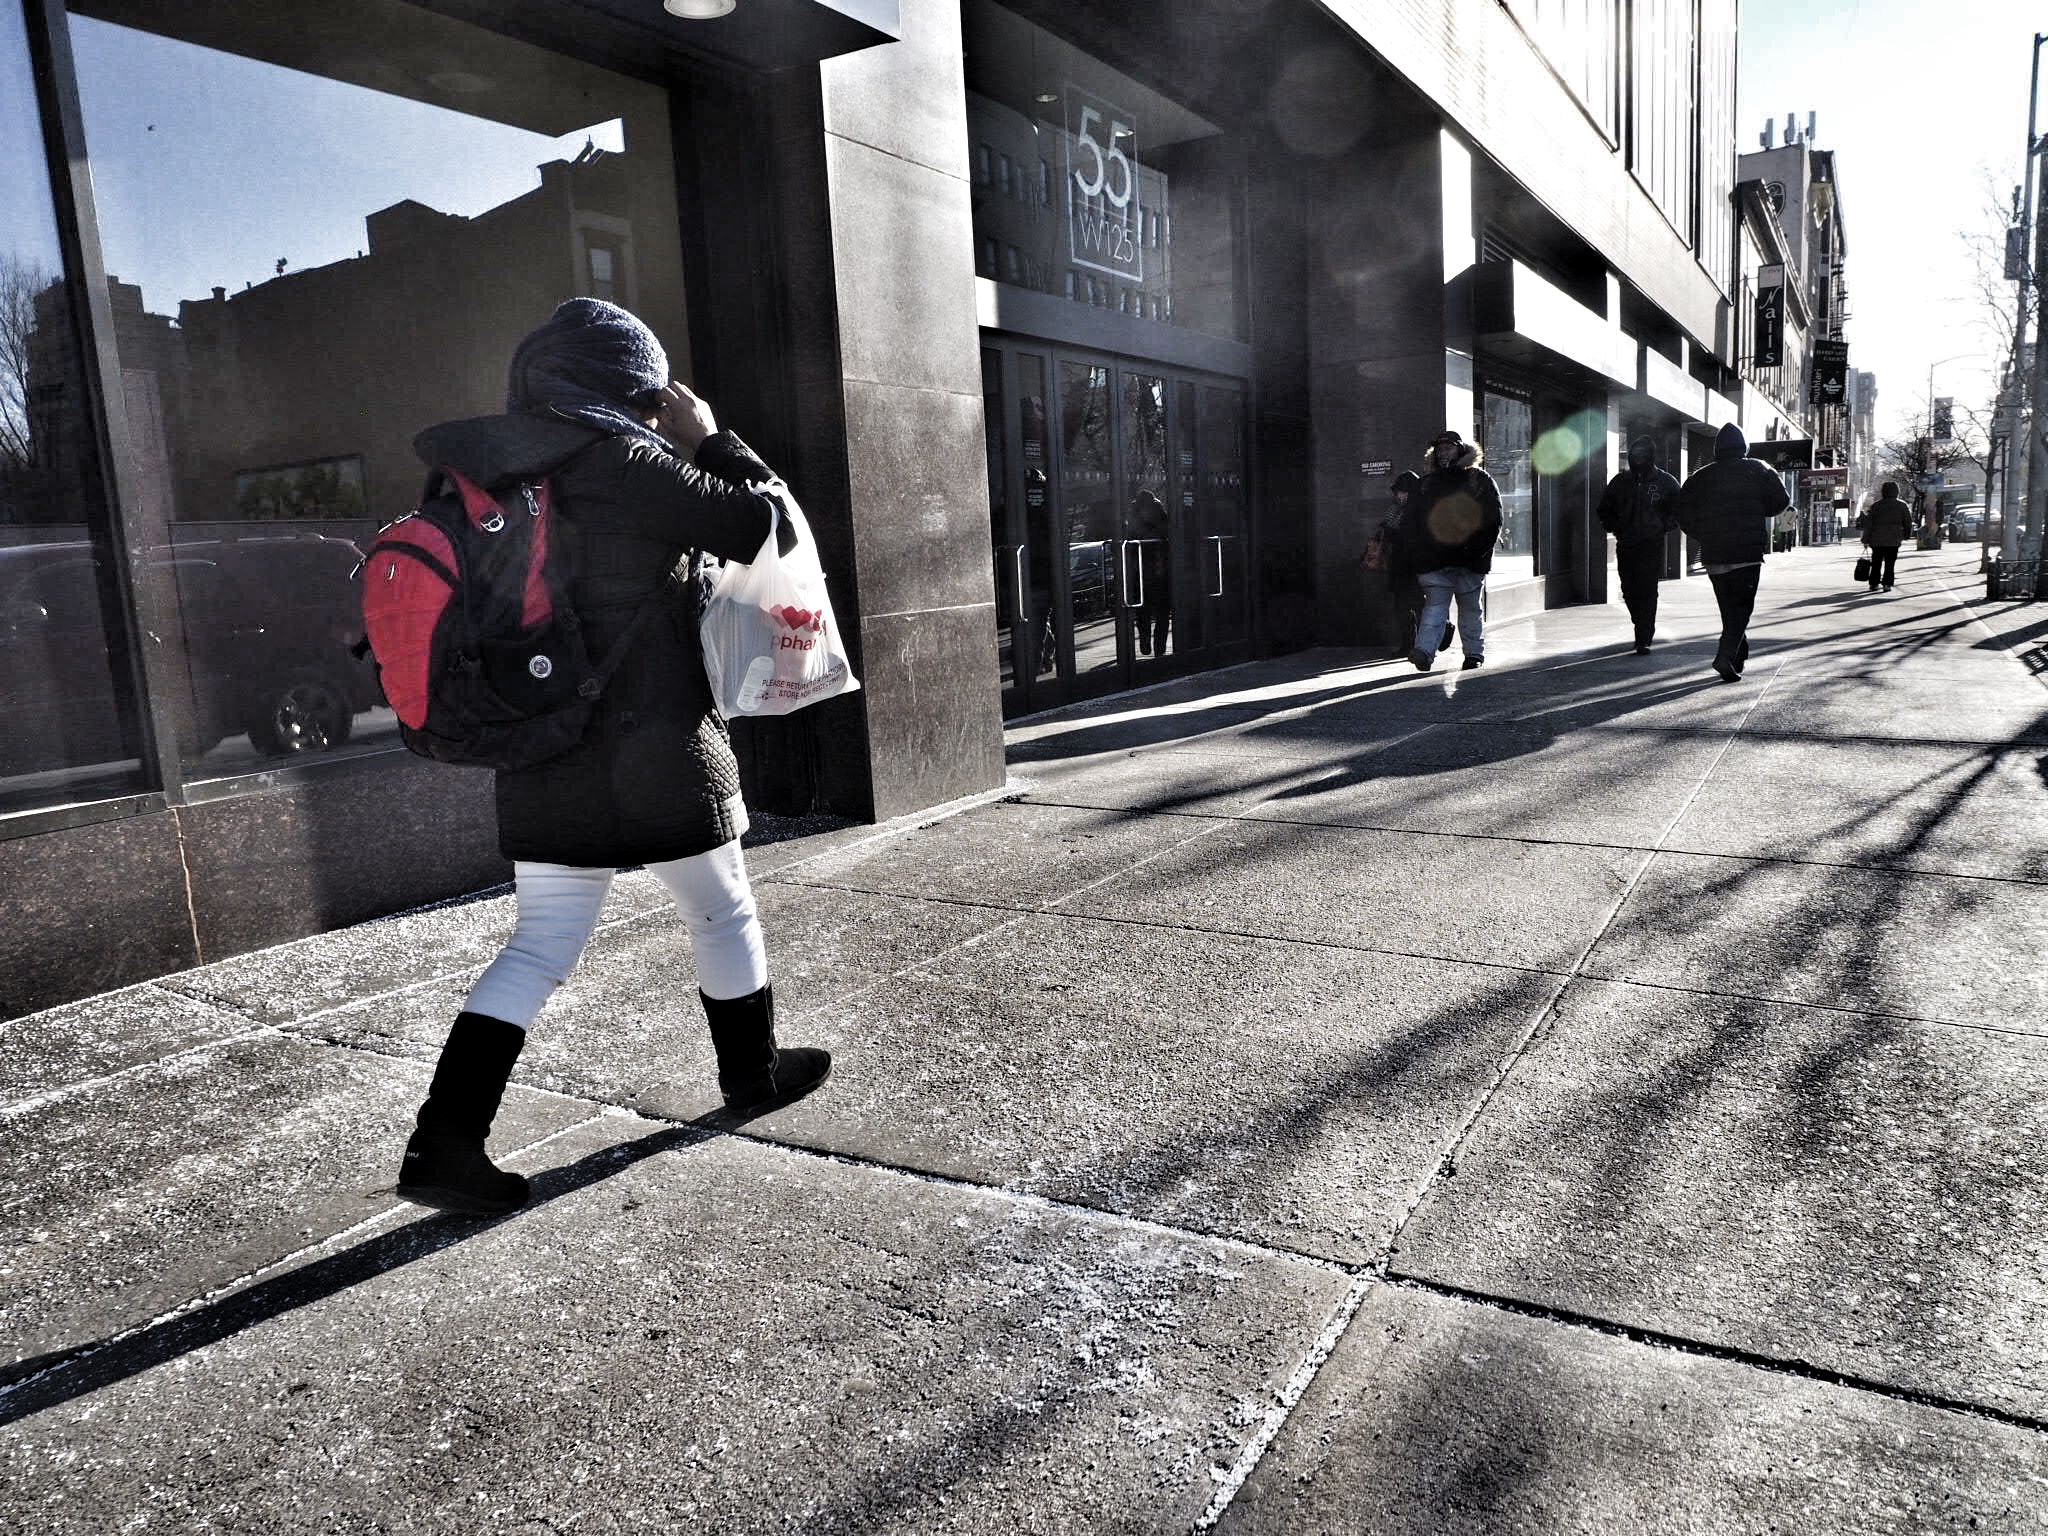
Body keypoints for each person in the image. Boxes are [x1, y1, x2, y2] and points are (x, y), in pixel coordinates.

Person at [395, 297, 830, 1216]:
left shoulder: (488, 470)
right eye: (645, 393)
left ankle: (444, 1144)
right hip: (657, 750)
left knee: (540, 945)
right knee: (721, 910)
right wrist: (710, 438)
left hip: (540, 747)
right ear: (626, 388)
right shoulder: (624, 460)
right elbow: (766, 526)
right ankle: (751, 1075)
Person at [1675, 421, 1789, 683]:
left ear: (1717, 449)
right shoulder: (1759, 469)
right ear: (1744, 447)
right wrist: (1758, 511)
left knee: (1730, 610)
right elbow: (1781, 502)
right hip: (1746, 554)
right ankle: (1725, 656)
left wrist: (1703, 534)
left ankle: (1737, 657)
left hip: (1715, 555)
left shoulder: (1701, 476)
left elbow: (1682, 512)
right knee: (1741, 609)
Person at [1404, 429, 1503, 672]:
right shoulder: (1425, 484)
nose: (1443, 453)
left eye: (1448, 448)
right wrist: (1421, 553)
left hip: (1468, 560)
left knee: (1468, 609)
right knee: (1437, 608)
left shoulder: (1479, 479)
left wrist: (1477, 551)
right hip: (1437, 560)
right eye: (1439, 449)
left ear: (1460, 450)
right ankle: (1425, 652)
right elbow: (1410, 523)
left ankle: (1473, 654)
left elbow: (1493, 520)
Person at [1596, 435, 1679, 654]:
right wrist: (1615, 526)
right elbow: (1604, 508)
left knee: (1648, 589)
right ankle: (1639, 623)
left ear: (1651, 456)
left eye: (1643, 455)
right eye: (1635, 455)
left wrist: (1663, 526)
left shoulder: (1665, 482)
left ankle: (1644, 635)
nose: (1639, 458)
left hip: (1651, 544)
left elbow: (1679, 509)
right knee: (1629, 589)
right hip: (1626, 542)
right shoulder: (1620, 482)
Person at [1128, 487, 1172, 656]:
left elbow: (1128, 534)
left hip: (1139, 570)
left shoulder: (1133, 511)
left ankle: (1145, 639)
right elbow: (1167, 531)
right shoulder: (1158, 509)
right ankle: (1159, 647)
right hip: (1159, 568)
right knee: (1162, 612)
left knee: (1143, 611)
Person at [1859, 480, 1913, 592]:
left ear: (1883, 492)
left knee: (1876, 562)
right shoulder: (1902, 505)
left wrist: (1865, 539)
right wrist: (1907, 534)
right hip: (1894, 539)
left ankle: (1874, 583)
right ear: (1897, 492)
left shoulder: (1876, 506)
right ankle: (1887, 584)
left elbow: (1869, 524)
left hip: (1876, 539)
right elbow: (1908, 522)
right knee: (1890, 563)